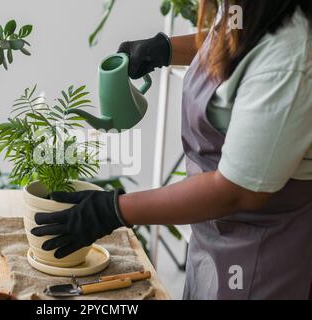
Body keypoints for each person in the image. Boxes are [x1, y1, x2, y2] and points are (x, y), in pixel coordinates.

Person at [31, 0, 312, 299]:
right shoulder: (248, 8)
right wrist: (164, 49)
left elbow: (236, 191)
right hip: (215, 234)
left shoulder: (289, 60)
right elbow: (231, 39)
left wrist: (111, 210)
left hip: (262, 253)